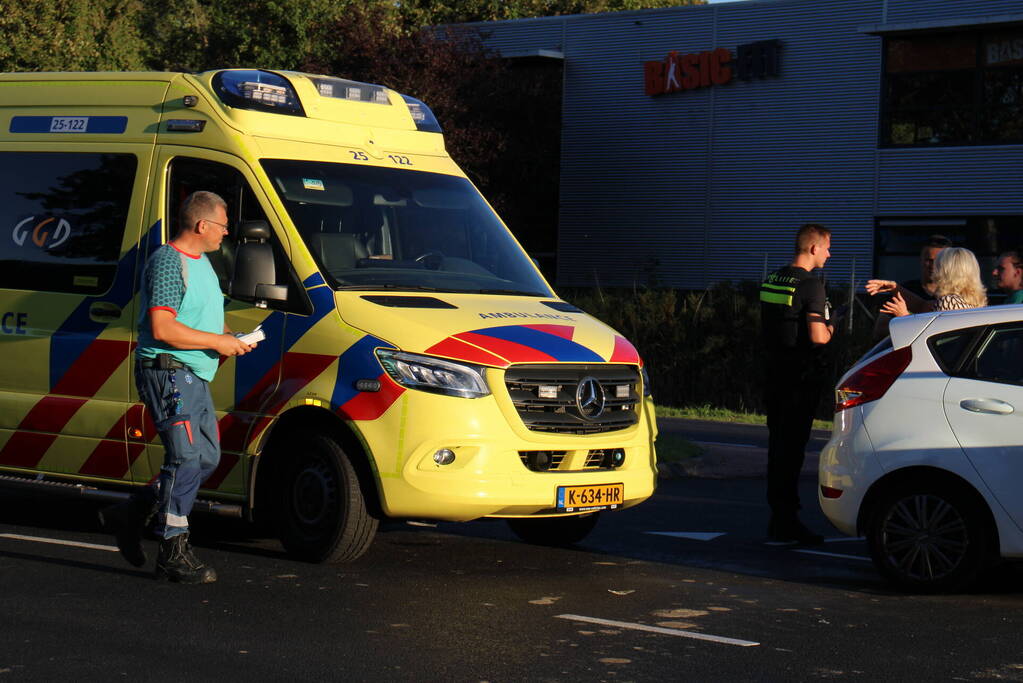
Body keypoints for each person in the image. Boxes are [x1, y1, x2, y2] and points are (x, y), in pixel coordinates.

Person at [100, 191, 254, 584]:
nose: (226, 233)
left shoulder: (203, 264)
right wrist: (218, 343)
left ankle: (133, 511)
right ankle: (173, 549)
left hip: (193, 374)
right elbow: (163, 328)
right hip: (168, 371)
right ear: (202, 225)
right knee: (186, 458)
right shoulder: (169, 262)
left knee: (206, 459)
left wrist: (233, 337)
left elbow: (205, 318)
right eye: (222, 225)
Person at [759, 223, 836, 545]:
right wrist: (835, 326)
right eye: (828, 247)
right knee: (792, 451)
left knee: (778, 449)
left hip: (773, 376)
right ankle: (787, 521)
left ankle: (778, 516)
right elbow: (818, 336)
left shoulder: (773, 279)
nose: (830, 254)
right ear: (814, 248)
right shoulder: (812, 286)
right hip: (798, 380)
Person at [868, 246, 987, 317]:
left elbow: (934, 339)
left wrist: (903, 316)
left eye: (938, 265)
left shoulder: (949, 301)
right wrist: (894, 288)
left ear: (946, 271)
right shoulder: (970, 301)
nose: (934, 269)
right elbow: (923, 305)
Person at [871, 234, 950, 340]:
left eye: (938, 261)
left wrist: (905, 319)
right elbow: (880, 330)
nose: (933, 265)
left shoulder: (953, 296)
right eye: (929, 260)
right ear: (921, 260)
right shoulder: (904, 292)